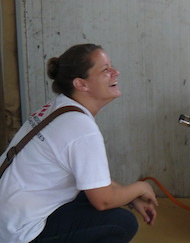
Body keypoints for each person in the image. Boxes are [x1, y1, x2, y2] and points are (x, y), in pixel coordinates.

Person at [0, 44, 158, 243]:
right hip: (19, 230)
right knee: (121, 223)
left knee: (93, 197)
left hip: (8, 213)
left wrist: (129, 197)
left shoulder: (58, 107)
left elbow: (92, 179)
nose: (115, 72)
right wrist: (139, 188)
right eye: (105, 70)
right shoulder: (81, 129)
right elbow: (104, 201)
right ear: (81, 84)